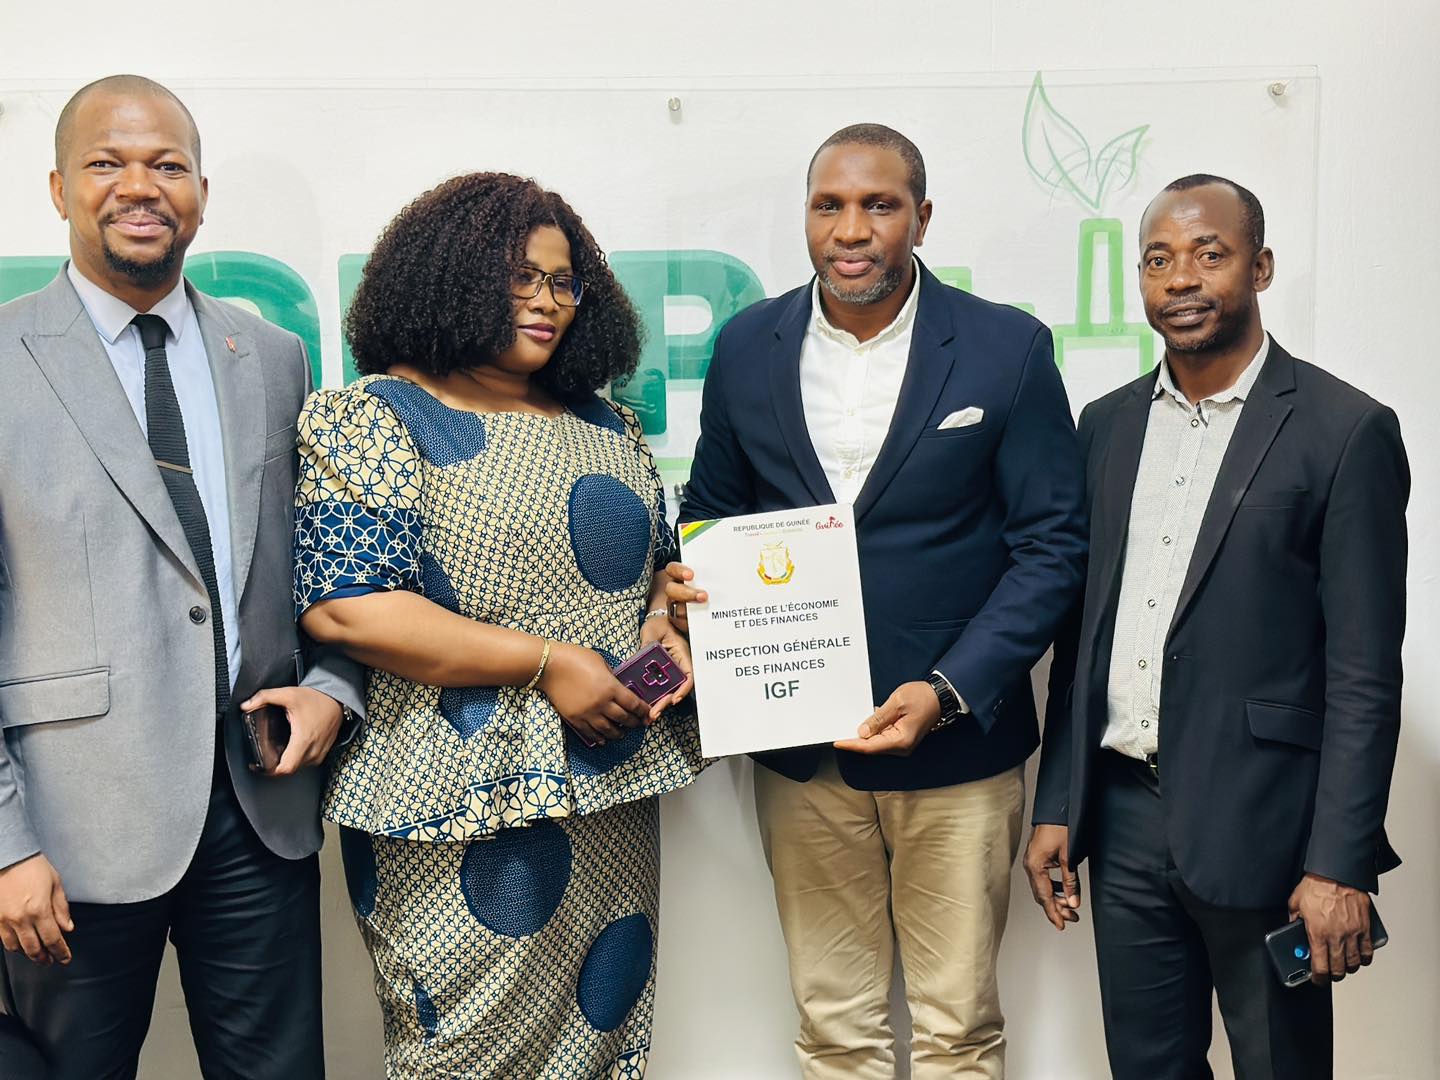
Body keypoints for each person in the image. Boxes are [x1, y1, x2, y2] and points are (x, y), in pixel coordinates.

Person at [664, 124, 1086, 1078]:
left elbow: (1053, 548)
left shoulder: (1006, 348)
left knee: (957, 1030)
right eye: (830, 205)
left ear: (921, 218)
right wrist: (689, 581)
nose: (851, 229)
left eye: (878, 205)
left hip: (957, 750)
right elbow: (712, 516)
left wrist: (948, 689)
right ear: (806, 217)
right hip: (800, 751)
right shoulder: (746, 346)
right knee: (834, 1030)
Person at [294, 172, 706, 1078]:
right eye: (520, 276)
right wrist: (549, 664)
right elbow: (347, 603)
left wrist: (663, 623)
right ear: (450, 275)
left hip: (609, 790)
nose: (546, 300)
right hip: (454, 803)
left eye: (562, 281)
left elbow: (655, 575)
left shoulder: (609, 425)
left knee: (605, 1037)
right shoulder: (372, 416)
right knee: (461, 1052)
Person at [0, 75, 363, 1079]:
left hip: (258, 808)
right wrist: (5, 844)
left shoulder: (273, 356)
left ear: (200, 191)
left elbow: (324, 563)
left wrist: (334, 688)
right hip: (68, 827)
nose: (139, 187)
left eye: (167, 165)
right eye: (106, 163)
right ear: (58, 189)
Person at [1023, 175, 1409, 1080]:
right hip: (1123, 818)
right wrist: (1058, 803)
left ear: (1260, 267)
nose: (1181, 279)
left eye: (1210, 254)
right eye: (1158, 260)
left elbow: (1363, 675)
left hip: (1270, 827)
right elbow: (1084, 638)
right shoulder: (1106, 425)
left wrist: (1339, 865)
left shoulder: (1344, 431)